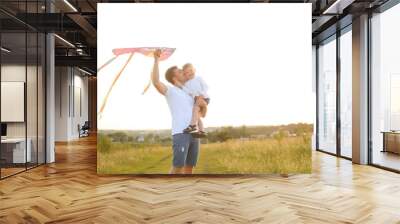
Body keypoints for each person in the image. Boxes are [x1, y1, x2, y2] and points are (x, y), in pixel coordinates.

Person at [150, 49, 200, 174]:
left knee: (189, 168)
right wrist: (156, 59)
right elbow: (156, 81)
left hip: (195, 133)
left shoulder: (189, 92)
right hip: (181, 133)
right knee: (178, 167)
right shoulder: (170, 91)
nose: (183, 72)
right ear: (174, 78)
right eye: (179, 71)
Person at [180, 63, 210, 137]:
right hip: (196, 100)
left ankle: (192, 126)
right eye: (187, 72)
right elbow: (188, 92)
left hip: (204, 98)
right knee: (197, 116)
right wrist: (181, 86)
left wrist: (201, 94)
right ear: (184, 75)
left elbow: (206, 87)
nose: (190, 73)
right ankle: (202, 131)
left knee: (195, 108)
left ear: (194, 70)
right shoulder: (186, 84)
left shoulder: (198, 78)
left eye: (191, 70)